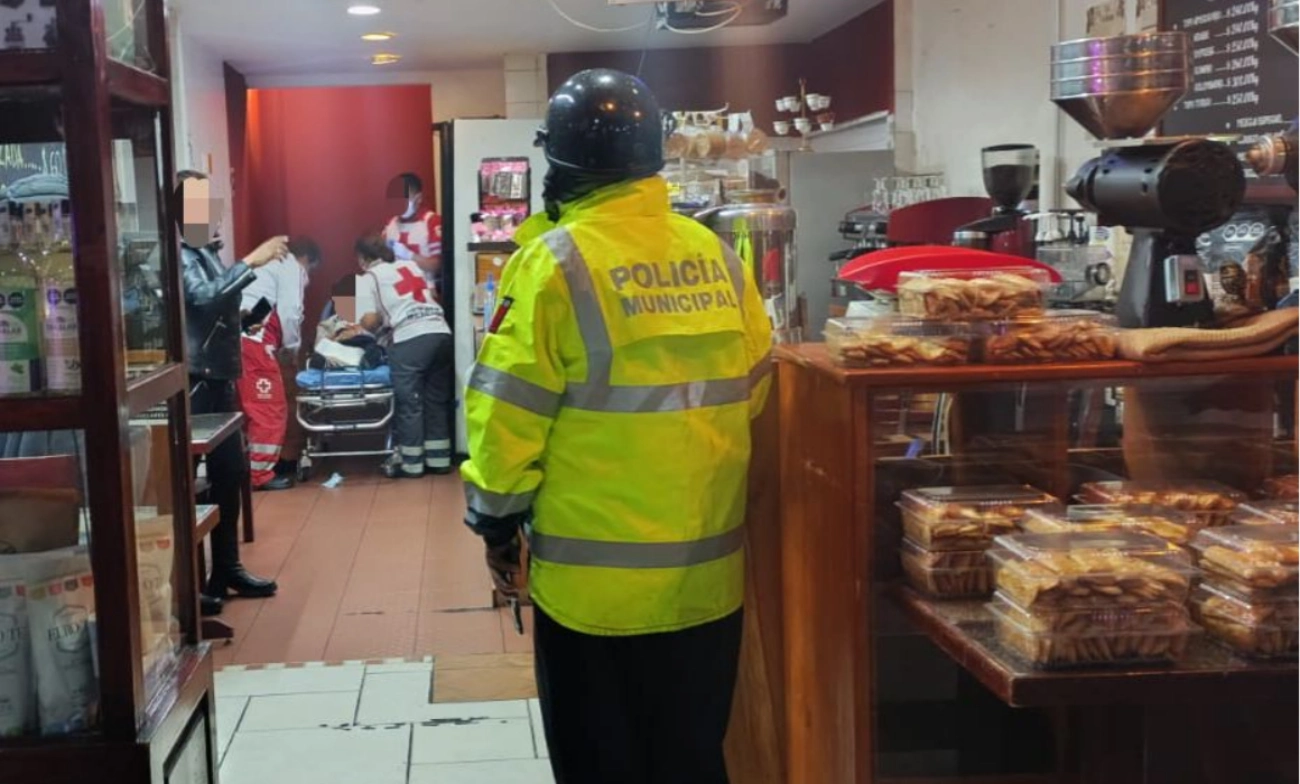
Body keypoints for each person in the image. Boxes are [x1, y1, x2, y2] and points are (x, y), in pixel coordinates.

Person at [460, 69, 773, 784]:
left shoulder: (554, 263)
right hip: (706, 583)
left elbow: (506, 414)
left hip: (590, 597)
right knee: (692, 763)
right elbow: (755, 389)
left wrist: (495, 525)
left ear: (559, 163)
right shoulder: (717, 256)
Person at [178, 170, 285, 615]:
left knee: (229, 475)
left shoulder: (204, 252)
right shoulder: (179, 254)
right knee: (188, 483)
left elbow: (213, 310)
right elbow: (201, 298)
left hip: (218, 376)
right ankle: (194, 581)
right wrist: (253, 261)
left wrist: (246, 318)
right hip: (196, 382)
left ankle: (226, 568)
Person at [355, 233, 455, 477]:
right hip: (441, 332)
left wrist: (363, 328)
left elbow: (370, 319)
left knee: (410, 403)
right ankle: (439, 461)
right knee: (436, 399)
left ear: (362, 259)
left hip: (410, 340)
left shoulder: (368, 278)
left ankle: (412, 465)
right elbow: (431, 296)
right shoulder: (411, 266)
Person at [237, 236, 320, 491]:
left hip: (240, 337)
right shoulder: (290, 266)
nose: (308, 277)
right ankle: (259, 474)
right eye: (311, 270)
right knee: (268, 406)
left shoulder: (266, 268)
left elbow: (262, 309)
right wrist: (291, 349)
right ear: (307, 260)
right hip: (253, 342)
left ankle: (252, 468)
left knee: (248, 407)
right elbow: (291, 311)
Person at [383, 172, 442, 287]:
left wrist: (409, 255)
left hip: (424, 292)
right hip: (396, 293)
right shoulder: (390, 224)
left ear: (418, 198)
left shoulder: (431, 221)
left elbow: (437, 265)